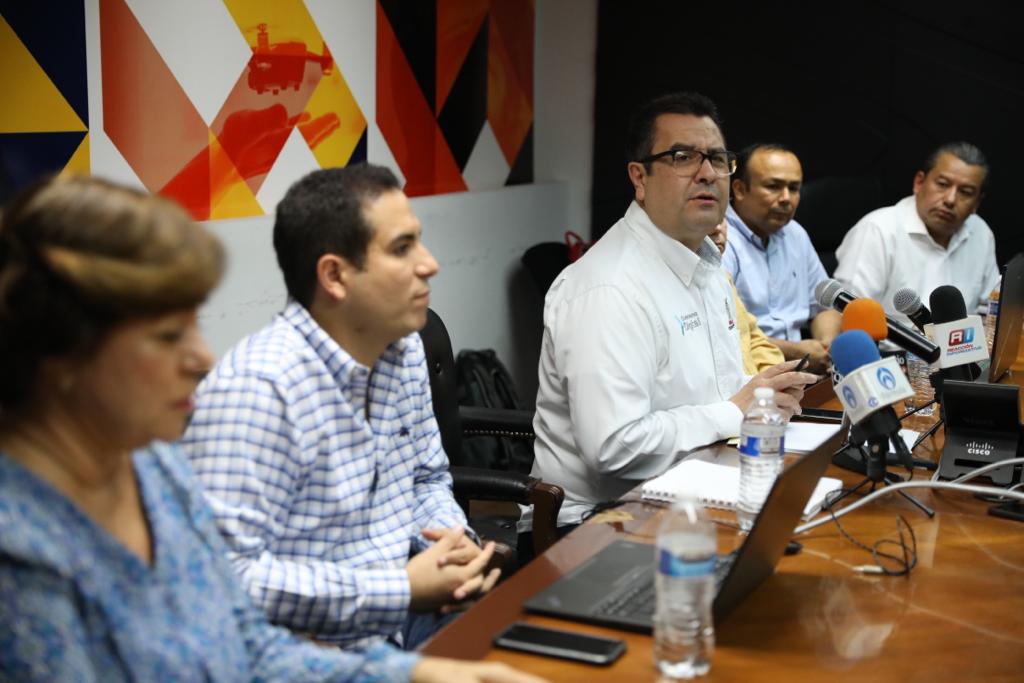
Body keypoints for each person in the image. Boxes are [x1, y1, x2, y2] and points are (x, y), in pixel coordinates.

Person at [0, 175, 544, 683]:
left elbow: (247, 642)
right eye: (169, 336)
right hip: (352, 628)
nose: (203, 358)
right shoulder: (20, 551)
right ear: (63, 356)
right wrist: (398, 594)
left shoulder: (153, 465)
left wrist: (416, 674)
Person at [181, 164, 498, 651]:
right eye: (402, 248)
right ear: (334, 276)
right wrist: (400, 589)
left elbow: (426, 479)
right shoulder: (259, 389)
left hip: (409, 614)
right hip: (315, 649)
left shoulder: (402, 348)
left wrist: (455, 546)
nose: (429, 264)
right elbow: (229, 576)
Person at [524, 92, 818, 531]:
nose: (707, 173)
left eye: (717, 158)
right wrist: (734, 411)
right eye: (683, 157)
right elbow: (614, 448)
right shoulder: (609, 289)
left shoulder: (706, 263)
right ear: (639, 178)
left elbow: (713, 391)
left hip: (699, 490)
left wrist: (761, 395)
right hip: (598, 524)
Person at [834, 141, 1000, 318]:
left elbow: (990, 311)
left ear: (977, 203)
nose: (950, 200)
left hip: (962, 337)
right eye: (943, 184)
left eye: (965, 192)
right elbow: (846, 313)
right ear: (919, 182)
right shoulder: (878, 230)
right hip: (889, 337)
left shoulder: (981, 233)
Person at [722, 143, 841, 373]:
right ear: (739, 189)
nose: (786, 198)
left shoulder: (795, 233)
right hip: (748, 374)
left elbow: (825, 307)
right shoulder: (718, 236)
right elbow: (724, 333)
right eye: (773, 186)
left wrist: (825, 346)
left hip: (806, 372)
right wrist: (795, 352)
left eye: (794, 188)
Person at [710, 219, 786, 374]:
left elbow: (753, 338)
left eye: (721, 218)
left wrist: (773, 378)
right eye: (707, 216)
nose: (717, 228)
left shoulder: (721, 277)